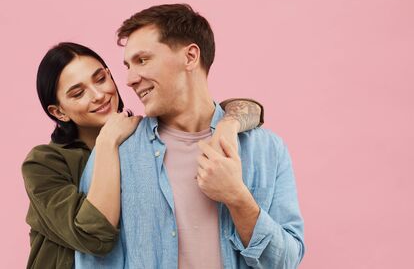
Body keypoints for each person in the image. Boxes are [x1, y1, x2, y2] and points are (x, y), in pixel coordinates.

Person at [76, 4, 305, 268]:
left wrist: (237, 198)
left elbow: (286, 261)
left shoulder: (266, 150)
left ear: (190, 57)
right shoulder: (115, 152)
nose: (129, 79)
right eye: (128, 65)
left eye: (142, 60)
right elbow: (94, 261)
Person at [22, 42, 263, 269]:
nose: (98, 95)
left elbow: (243, 109)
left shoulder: (145, 138)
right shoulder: (44, 163)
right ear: (59, 112)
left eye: (101, 78)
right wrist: (107, 141)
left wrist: (228, 124)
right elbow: (94, 236)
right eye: (78, 93)